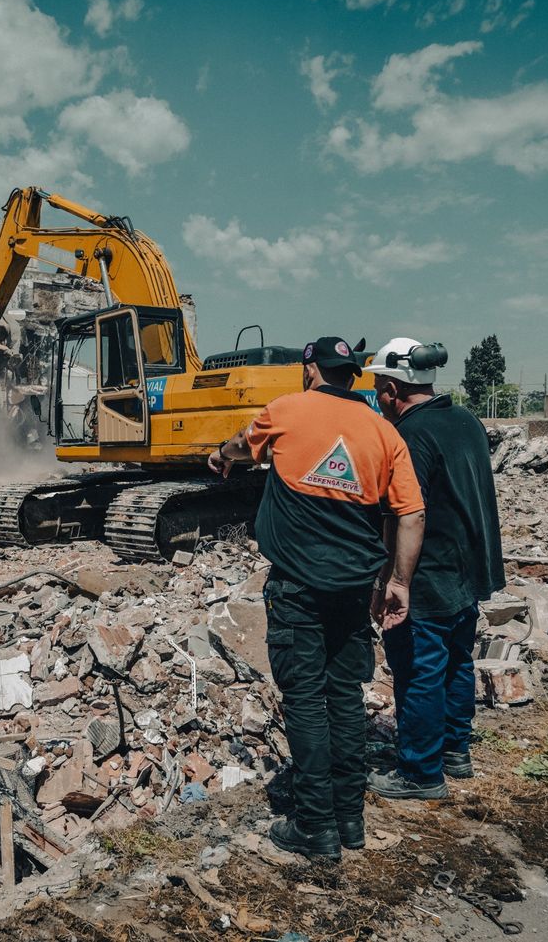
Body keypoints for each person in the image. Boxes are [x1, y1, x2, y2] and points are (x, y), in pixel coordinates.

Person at [209, 336, 425, 858]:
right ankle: (350, 820)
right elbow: (411, 514)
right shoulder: (383, 430)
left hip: (297, 588)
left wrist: (222, 456)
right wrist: (398, 583)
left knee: (305, 700)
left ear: (312, 370)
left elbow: (242, 444)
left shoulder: (286, 410)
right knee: (345, 699)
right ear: (353, 374)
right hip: (355, 591)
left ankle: (314, 826)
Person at [365, 337, 505, 800]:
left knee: (418, 669)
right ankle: (453, 751)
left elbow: (406, 514)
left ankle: (421, 772)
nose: (378, 398)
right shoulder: (464, 419)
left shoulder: (408, 435)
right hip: (468, 571)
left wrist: (391, 579)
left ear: (391, 388)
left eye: (379, 388)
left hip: (429, 571)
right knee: (456, 661)